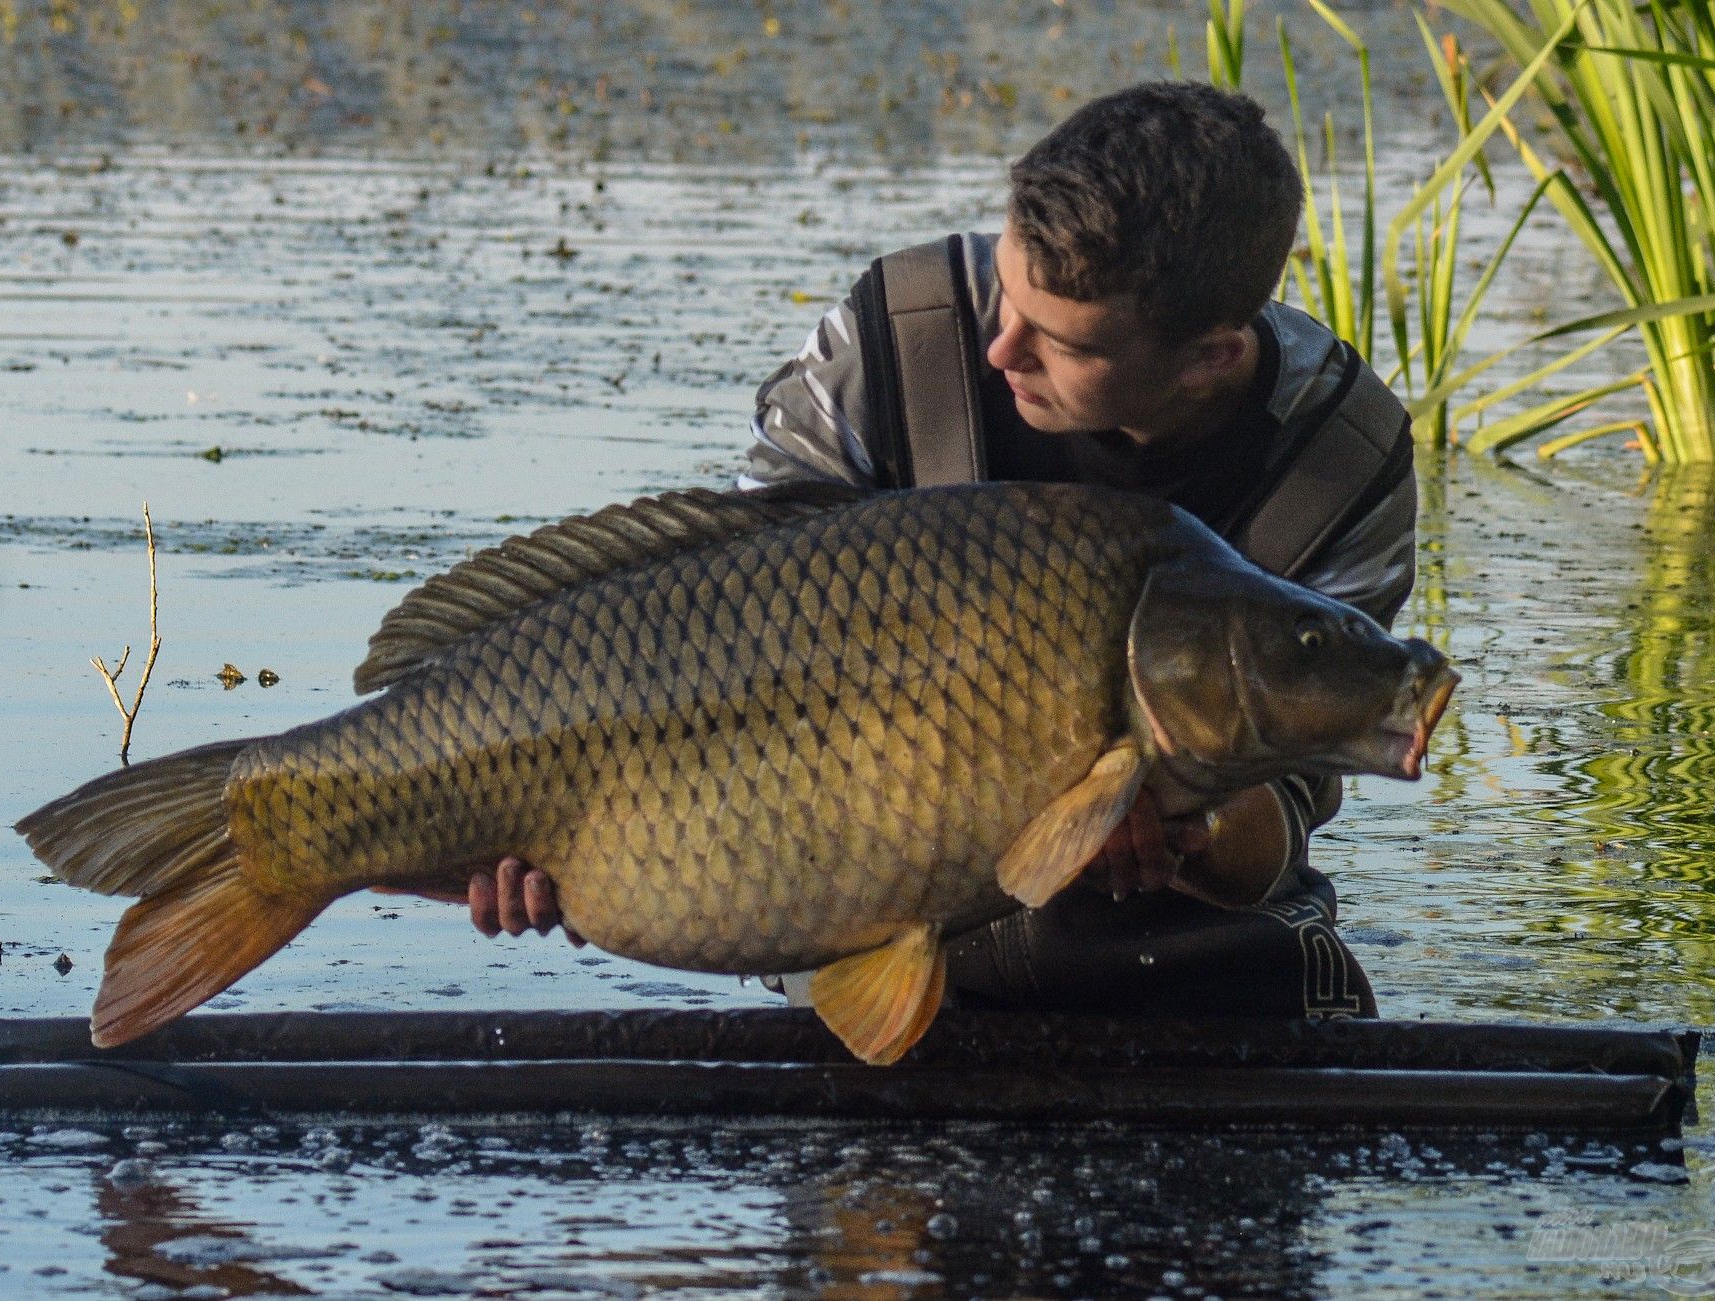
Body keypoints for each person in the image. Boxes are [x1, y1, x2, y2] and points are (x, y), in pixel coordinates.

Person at [466, 81, 1417, 1019]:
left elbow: (1285, 811)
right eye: (1004, 294)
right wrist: (602, 848)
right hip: (836, 877)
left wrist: (1192, 834)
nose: (1002, 350)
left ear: (1211, 354)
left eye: (1059, 342)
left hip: (1176, 939)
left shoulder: (1343, 460)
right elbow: (719, 642)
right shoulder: (893, 339)